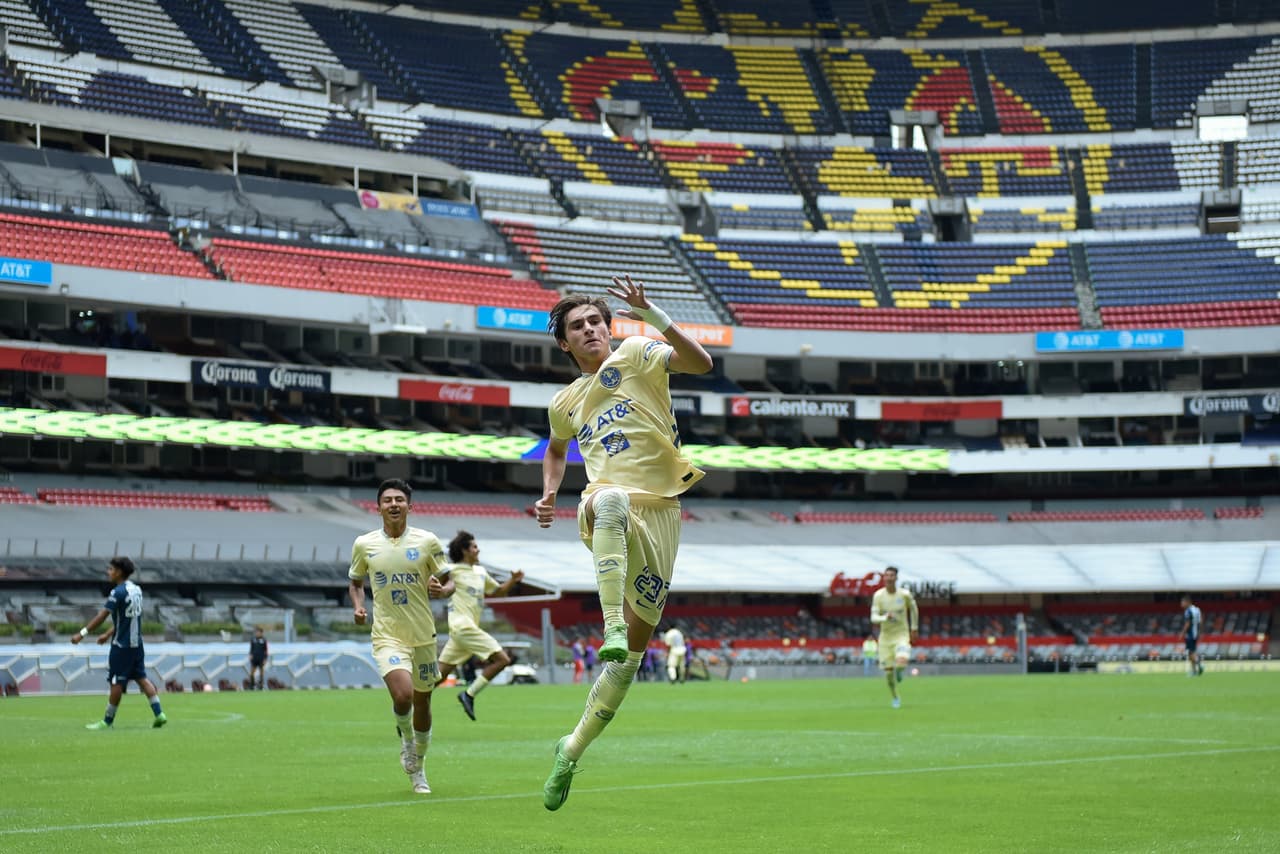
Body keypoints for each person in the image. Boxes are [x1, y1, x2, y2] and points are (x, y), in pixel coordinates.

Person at [535, 275, 713, 811]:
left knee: (630, 661)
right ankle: (609, 621)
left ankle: (570, 750)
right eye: (577, 326)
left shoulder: (636, 353)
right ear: (564, 343)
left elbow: (702, 364)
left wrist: (651, 311)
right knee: (608, 500)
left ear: (608, 328)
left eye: (595, 320)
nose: (590, 329)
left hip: (662, 515)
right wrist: (549, 494)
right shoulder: (564, 402)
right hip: (607, 504)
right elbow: (555, 449)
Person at [348, 478, 455, 795]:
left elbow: (449, 582)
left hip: (423, 635)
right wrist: (358, 606)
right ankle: (407, 741)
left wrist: (441, 589)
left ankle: (418, 766)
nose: (393, 504)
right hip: (387, 635)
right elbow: (355, 582)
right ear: (378, 507)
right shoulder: (365, 544)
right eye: (387, 500)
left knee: (423, 701)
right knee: (403, 695)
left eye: (399, 499)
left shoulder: (427, 542)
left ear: (410, 505)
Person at [437, 529, 525, 721]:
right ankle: (468, 694)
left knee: (435, 679)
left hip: (464, 632)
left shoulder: (480, 572)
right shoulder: (451, 571)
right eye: (475, 546)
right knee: (502, 659)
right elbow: (435, 584)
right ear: (464, 550)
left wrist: (513, 580)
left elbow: (499, 591)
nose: (478, 550)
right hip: (462, 627)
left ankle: (406, 710)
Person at [72, 556, 167, 730]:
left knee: (116, 682)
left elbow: (102, 615)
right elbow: (127, 619)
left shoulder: (118, 592)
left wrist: (82, 633)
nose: (108, 572)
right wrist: (108, 634)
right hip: (137, 644)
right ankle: (159, 713)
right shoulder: (136, 590)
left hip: (122, 647)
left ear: (119, 572)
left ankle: (107, 721)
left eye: (111, 569)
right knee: (141, 678)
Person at [870, 566, 918, 709]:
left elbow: (914, 609)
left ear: (896, 578)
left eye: (891, 575)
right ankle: (895, 697)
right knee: (888, 675)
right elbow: (873, 617)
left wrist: (914, 628)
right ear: (884, 578)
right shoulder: (878, 596)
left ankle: (900, 671)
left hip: (901, 635)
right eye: (886, 575)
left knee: (902, 660)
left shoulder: (904, 595)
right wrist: (885, 617)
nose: (889, 578)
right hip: (885, 638)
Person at [1179, 593, 1205, 676]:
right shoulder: (1197, 609)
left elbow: (1187, 623)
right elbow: (1201, 622)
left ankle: (1199, 665)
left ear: (1187, 602)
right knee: (1191, 652)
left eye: (1182, 602)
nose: (1181, 604)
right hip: (1195, 634)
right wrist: (1200, 633)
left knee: (1191, 652)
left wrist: (1182, 633)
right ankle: (1194, 671)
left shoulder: (1188, 611)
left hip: (1190, 635)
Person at [248, 626, 268, 690]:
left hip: (261, 658)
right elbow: (251, 648)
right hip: (254, 658)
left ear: (261, 633)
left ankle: (261, 686)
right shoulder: (253, 640)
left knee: (261, 672)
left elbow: (266, 650)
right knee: (252, 672)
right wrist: (250, 655)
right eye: (256, 632)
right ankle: (252, 685)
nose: (257, 633)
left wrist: (265, 658)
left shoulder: (264, 640)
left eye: (258, 632)